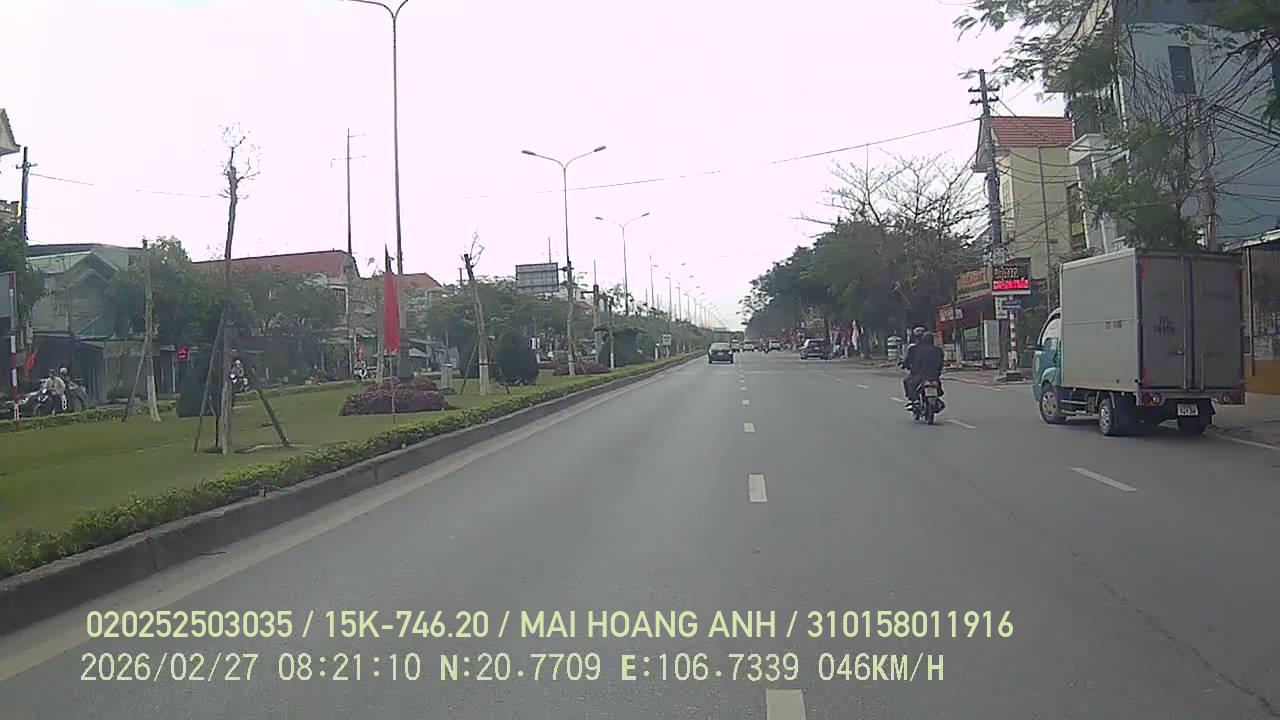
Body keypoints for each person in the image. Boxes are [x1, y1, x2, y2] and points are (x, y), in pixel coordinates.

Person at [903, 332, 945, 408]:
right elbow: (941, 363)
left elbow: (915, 362)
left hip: (921, 375)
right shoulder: (938, 350)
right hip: (934, 375)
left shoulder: (918, 350)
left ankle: (914, 400)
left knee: (909, 382)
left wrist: (908, 366)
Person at [899, 326, 927, 399]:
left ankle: (913, 399)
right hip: (932, 374)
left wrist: (904, 365)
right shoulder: (935, 348)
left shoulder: (913, 349)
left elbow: (907, 360)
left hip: (918, 373)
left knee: (908, 382)